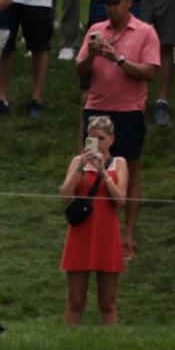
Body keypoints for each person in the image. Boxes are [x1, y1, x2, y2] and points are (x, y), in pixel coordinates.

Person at [57, 113, 132, 325]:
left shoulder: (119, 163)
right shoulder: (77, 161)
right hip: (81, 232)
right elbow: (64, 197)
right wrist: (81, 167)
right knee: (75, 300)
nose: (96, 143)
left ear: (111, 139)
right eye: (91, 138)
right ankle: (66, 345)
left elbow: (121, 200)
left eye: (101, 138)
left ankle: (111, 348)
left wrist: (102, 171)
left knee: (107, 301)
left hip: (107, 233)